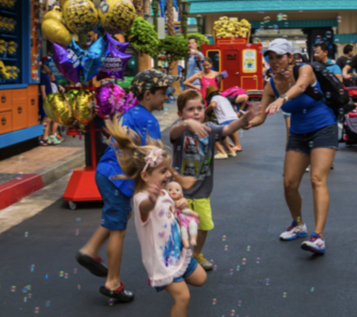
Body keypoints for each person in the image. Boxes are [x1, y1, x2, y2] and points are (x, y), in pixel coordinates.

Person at [76, 70, 194, 304]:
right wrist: (179, 180)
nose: (167, 96)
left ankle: (89, 250)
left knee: (117, 217)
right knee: (118, 228)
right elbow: (156, 157)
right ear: (148, 94)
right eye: (163, 93)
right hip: (117, 177)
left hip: (109, 174)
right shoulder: (148, 119)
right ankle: (112, 283)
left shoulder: (132, 113)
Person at [104, 116, 207, 317]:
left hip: (177, 253)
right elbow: (146, 207)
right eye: (162, 172)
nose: (168, 175)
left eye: (167, 170)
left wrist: (182, 207)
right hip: (162, 261)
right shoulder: (142, 198)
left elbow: (171, 213)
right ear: (145, 176)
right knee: (183, 298)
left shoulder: (163, 192)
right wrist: (152, 200)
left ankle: (176, 280)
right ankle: (170, 283)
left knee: (200, 279)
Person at [247, 38, 337, 254]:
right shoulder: (270, 85)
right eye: (270, 57)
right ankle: (298, 225)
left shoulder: (303, 69)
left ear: (290, 57)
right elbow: (261, 116)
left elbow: (302, 86)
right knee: (289, 184)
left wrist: (283, 98)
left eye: (279, 56)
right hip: (298, 133)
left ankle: (318, 236)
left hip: (323, 127)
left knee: (317, 179)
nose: (274, 61)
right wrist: (246, 121)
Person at [171, 89, 255, 270]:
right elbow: (173, 132)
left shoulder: (209, 129)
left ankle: (196, 254)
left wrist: (243, 119)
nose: (196, 113)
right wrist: (186, 123)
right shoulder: (181, 133)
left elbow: (228, 128)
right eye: (190, 109)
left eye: (199, 108)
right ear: (180, 114)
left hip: (202, 190)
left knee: (203, 226)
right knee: (180, 228)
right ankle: (178, 256)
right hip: (179, 193)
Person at [206, 86, 241, 158]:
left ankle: (222, 153)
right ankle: (232, 149)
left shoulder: (214, 98)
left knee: (214, 134)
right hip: (234, 118)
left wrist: (205, 111)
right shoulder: (223, 98)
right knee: (228, 132)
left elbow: (213, 105)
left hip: (224, 119)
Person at [39, 63, 64, 146]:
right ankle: (41, 137)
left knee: (48, 120)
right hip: (46, 101)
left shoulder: (46, 75)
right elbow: (43, 90)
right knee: (46, 120)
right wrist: (46, 102)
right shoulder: (43, 76)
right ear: (45, 65)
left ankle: (45, 137)